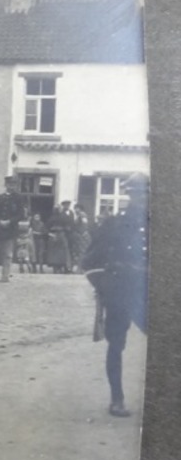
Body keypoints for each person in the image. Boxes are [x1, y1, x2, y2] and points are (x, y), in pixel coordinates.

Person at [81, 175, 149, 418]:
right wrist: (105, 288)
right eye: (137, 194)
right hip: (120, 290)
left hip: (149, 293)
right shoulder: (113, 224)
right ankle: (117, 398)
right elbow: (89, 262)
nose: (142, 199)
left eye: (146, 193)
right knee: (116, 345)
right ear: (129, 195)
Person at [0, 174, 26, 282]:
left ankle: (5, 276)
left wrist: (9, 221)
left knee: (7, 254)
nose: (12, 187)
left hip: (10, 230)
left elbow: (21, 214)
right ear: (5, 185)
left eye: (14, 184)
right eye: (10, 184)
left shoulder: (19, 198)